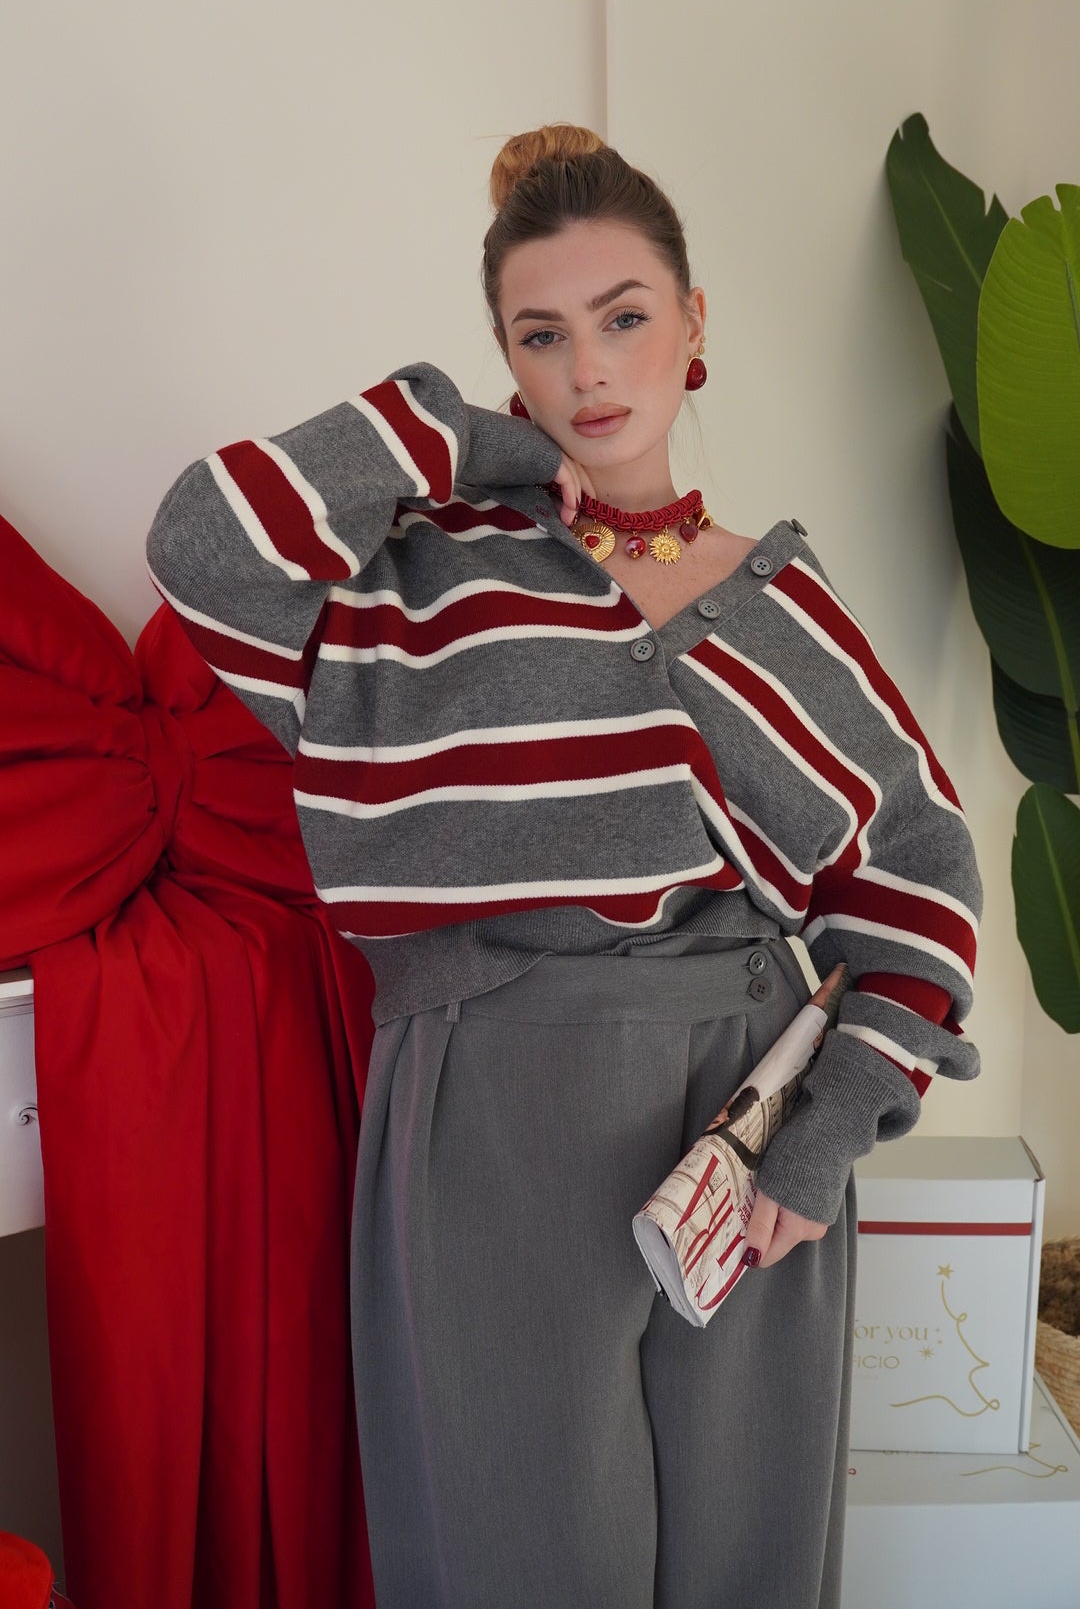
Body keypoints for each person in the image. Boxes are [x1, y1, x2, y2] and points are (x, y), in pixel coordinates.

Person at [145, 124, 982, 1609]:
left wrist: (824, 1134)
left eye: (624, 317)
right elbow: (207, 543)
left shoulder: (781, 602)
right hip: (494, 1107)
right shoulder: (420, 584)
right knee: (519, 1555)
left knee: (747, 1556)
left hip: (746, 1127)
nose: (591, 370)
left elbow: (916, 869)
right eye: (543, 336)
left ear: (693, 323)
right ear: (505, 362)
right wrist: (468, 435)